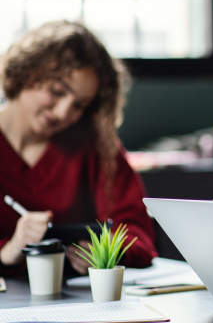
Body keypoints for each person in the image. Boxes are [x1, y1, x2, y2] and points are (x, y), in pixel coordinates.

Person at [0, 21, 157, 275]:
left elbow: (138, 234)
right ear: (25, 72)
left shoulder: (95, 144)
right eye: (56, 91)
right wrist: (7, 250)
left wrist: (104, 253)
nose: (63, 113)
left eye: (79, 105)